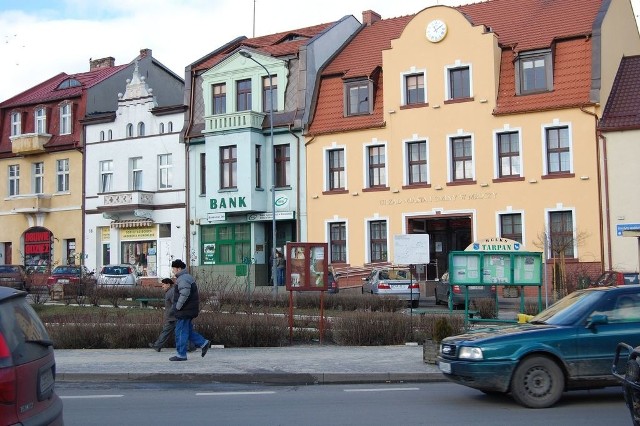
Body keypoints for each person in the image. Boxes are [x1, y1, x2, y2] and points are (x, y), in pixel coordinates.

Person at [168, 259, 211, 361]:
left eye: (173, 269)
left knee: (180, 332)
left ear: (178, 268)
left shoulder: (183, 279)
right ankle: (203, 343)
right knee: (187, 331)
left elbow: (185, 294)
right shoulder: (185, 277)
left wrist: (177, 307)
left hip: (184, 311)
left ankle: (181, 354)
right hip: (187, 310)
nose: (173, 271)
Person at [148, 278, 195, 352]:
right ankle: (157, 346)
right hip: (172, 317)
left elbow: (176, 304)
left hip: (175, 317)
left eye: (163, 284)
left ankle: (190, 347)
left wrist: (170, 312)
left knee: (179, 332)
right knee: (167, 332)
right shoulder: (170, 292)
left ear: (168, 284)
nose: (162, 286)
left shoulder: (172, 292)